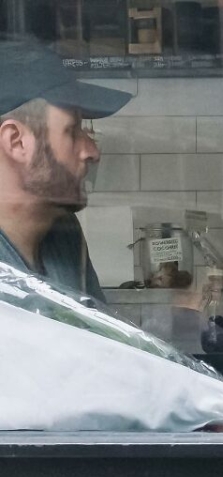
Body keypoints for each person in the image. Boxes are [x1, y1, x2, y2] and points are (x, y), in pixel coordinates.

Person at [0, 40, 132, 302]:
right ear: (16, 141)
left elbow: (93, 339)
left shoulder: (62, 231)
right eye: (72, 131)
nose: (92, 151)